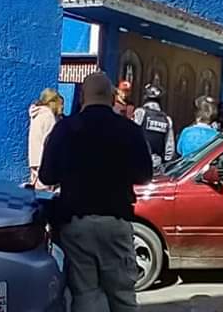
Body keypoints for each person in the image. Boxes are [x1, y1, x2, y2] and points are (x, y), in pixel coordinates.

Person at [39, 72, 153, 312]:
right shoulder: (129, 130)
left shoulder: (64, 129)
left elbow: (46, 176)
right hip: (115, 221)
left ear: (82, 96)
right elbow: (144, 175)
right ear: (112, 97)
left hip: (75, 223)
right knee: (123, 296)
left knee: (85, 295)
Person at [27, 88, 63, 190]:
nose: (62, 107)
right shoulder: (48, 116)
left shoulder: (37, 113)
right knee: (45, 193)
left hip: (34, 158)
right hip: (44, 161)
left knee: (37, 191)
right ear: (54, 102)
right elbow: (51, 142)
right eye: (60, 103)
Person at [133, 84, 175, 170]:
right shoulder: (167, 119)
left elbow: (130, 135)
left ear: (145, 97)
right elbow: (169, 149)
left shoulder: (140, 113)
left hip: (138, 162)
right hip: (156, 165)